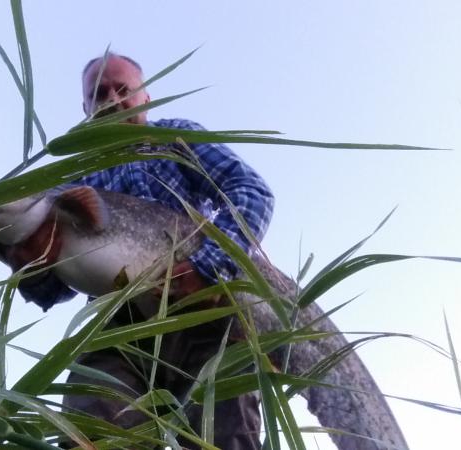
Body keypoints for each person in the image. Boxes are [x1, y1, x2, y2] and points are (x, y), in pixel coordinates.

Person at [16, 53, 274, 449]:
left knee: (225, 434)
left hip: (206, 315)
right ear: (85, 108)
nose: (112, 99)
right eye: (99, 93)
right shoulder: (74, 179)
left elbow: (251, 192)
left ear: (146, 97)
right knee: (91, 433)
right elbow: (56, 290)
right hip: (118, 331)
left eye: (124, 89)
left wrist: (207, 266)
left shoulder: (176, 137)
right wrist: (30, 267)